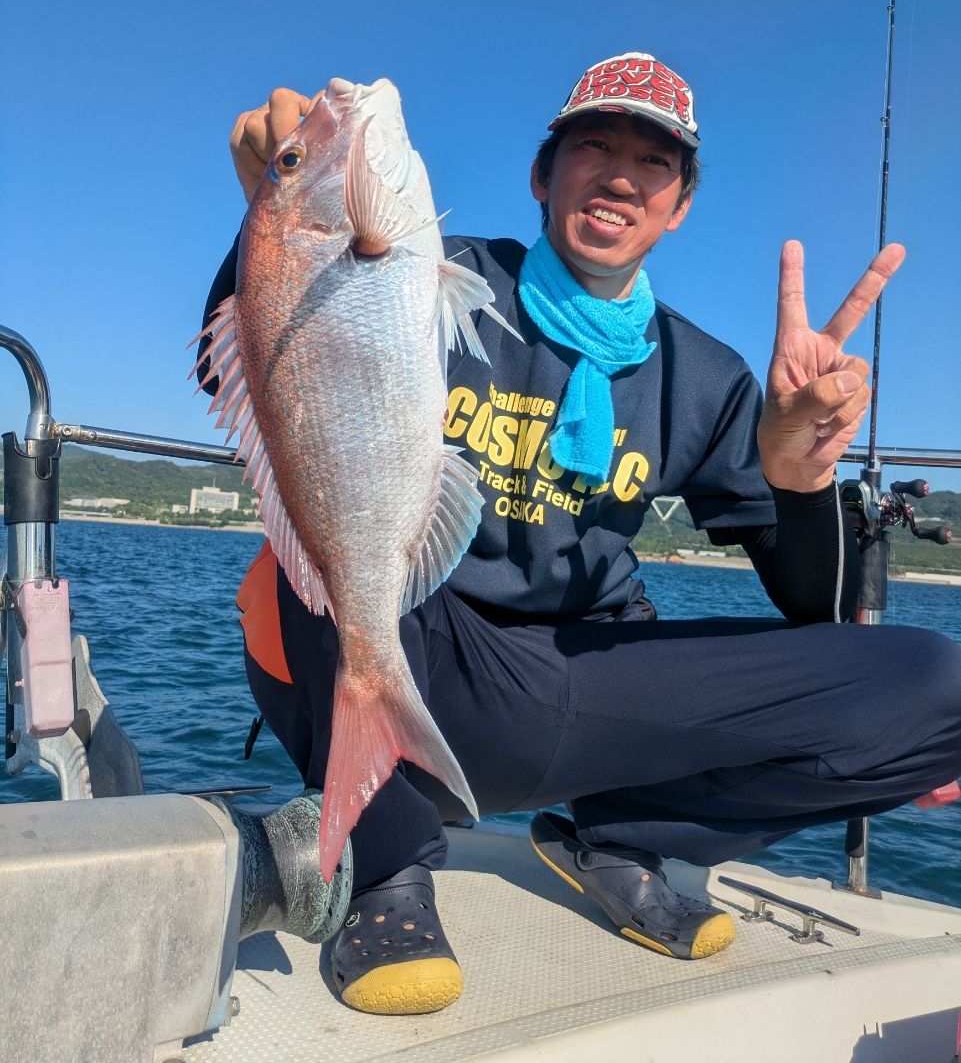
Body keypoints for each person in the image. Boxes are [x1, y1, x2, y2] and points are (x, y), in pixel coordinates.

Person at [205, 51, 961, 1017]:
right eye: (591, 147)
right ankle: (385, 868)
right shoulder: (436, 276)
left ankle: (624, 833)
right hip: (429, 649)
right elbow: (279, 389)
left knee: (934, 689)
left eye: (652, 164)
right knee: (322, 548)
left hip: (590, 672)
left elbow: (808, 603)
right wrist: (272, 224)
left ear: (678, 205)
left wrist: (797, 476)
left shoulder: (708, 375)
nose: (617, 176)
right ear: (541, 177)